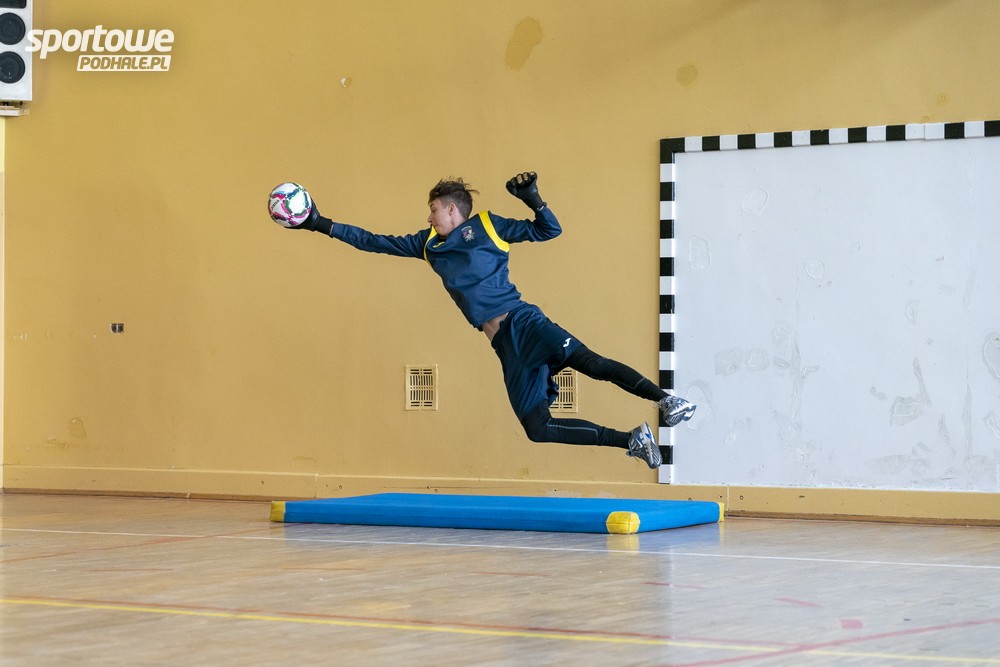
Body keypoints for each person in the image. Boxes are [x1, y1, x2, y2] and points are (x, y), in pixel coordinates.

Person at [289, 172, 695, 468]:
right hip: (503, 345)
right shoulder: (427, 245)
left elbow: (549, 230)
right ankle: (633, 440)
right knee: (537, 428)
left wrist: (533, 198)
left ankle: (666, 400)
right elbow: (372, 241)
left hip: (523, 322)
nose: (429, 218)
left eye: (433, 210)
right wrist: (318, 223)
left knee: (590, 363)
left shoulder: (488, 225)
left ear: (452, 209)